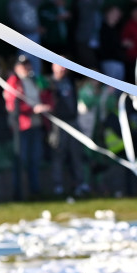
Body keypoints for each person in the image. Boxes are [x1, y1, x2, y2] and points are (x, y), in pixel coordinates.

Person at [4, 53, 52, 200]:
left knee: (35, 159)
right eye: (22, 65)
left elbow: (45, 95)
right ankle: (18, 193)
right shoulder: (13, 81)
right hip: (22, 127)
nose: (25, 68)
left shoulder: (34, 80)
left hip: (36, 125)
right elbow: (12, 104)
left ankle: (35, 191)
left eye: (27, 65)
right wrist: (33, 109)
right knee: (21, 160)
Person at [48, 62, 89, 198]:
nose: (63, 68)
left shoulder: (70, 81)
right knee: (59, 154)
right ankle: (57, 185)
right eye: (60, 64)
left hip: (73, 121)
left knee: (76, 153)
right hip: (58, 123)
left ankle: (79, 183)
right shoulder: (50, 83)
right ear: (53, 66)